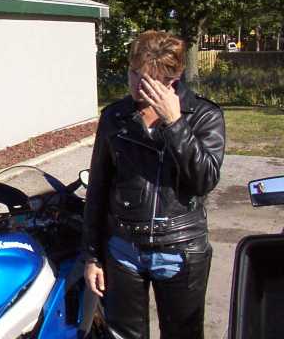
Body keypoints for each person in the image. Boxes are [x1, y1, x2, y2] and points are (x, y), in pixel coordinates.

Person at [83, 30, 225, 338]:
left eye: (148, 78)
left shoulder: (203, 115)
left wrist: (175, 124)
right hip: (123, 249)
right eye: (133, 73)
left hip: (180, 248)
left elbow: (204, 180)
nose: (137, 84)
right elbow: (98, 189)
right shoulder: (115, 116)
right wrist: (92, 256)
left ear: (172, 79)